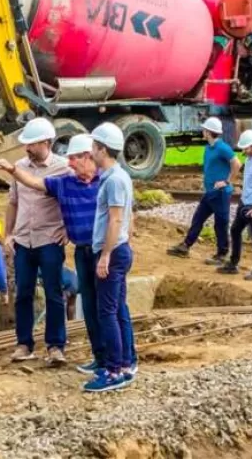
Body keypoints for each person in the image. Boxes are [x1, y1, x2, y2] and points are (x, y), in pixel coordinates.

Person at [0, 133, 137, 376]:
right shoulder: (66, 183)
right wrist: (11, 170)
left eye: (74, 159)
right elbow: (35, 183)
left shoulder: (107, 181)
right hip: (84, 252)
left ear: (88, 157)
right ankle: (101, 358)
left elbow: (121, 217)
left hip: (105, 251)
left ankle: (125, 361)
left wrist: (112, 250)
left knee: (113, 308)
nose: (69, 164)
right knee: (92, 309)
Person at [2, 117, 72, 366]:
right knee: (23, 293)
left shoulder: (64, 168)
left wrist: (68, 229)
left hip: (49, 239)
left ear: (45, 142)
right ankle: (24, 344)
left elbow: (72, 201)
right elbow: (13, 202)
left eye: (31, 144)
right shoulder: (19, 167)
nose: (27, 149)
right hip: (23, 240)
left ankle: (55, 346)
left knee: (54, 293)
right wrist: (7, 234)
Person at [84, 122, 137, 393]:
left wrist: (105, 255)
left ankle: (115, 370)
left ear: (102, 149)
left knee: (107, 312)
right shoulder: (119, 177)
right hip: (120, 250)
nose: (90, 151)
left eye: (93, 146)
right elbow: (128, 218)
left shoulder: (114, 180)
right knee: (116, 309)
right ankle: (125, 364)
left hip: (113, 252)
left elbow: (115, 219)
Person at [168, 117, 241, 265]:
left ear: (209, 132)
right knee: (198, 219)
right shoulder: (209, 147)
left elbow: (237, 164)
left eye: (204, 130)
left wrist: (227, 181)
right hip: (210, 193)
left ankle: (222, 254)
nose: (202, 131)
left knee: (220, 224)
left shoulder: (222, 148)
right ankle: (185, 246)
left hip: (220, 193)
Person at [217, 129, 252, 281]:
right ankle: (233, 263)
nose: (243, 150)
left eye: (246, 147)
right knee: (235, 230)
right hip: (245, 203)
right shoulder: (249, 160)